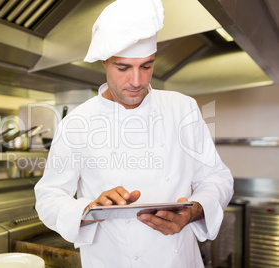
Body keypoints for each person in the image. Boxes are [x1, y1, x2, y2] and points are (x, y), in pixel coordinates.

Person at [34, 0, 234, 267]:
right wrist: (89, 209)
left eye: (147, 66)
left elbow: (217, 178)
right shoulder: (77, 122)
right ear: (105, 62)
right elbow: (49, 198)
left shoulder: (182, 108)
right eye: (123, 68)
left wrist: (193, 211)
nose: (137, 81)